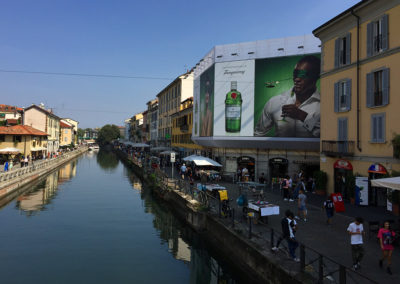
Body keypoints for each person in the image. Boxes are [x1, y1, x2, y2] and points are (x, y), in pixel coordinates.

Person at [254, 55, 321, 138]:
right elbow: (258, 135)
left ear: (316, 77)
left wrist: (302, 116)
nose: (297, 79)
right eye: (295, 73)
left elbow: (330, 135)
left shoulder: (325, 105)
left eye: (303, 74)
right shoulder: (275, 102)